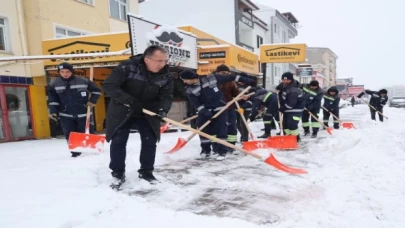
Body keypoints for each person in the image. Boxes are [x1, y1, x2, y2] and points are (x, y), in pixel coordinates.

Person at [102, 45, 173, 188]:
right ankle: (118, 173)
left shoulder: (165, 75)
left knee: (149, 140)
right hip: (122, 109)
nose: (162, 64)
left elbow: (167, 95)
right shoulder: (128, 67)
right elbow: (109, 85)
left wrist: (162, 110)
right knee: (119, 140)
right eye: (158, 61)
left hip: (148, 110)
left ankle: (146, 172)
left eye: (164, 61)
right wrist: (129, 101)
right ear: (147, 59)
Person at [180, 69, 253, 160]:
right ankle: (205, 150)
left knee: (221, 129)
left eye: (185, 79)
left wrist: (246, 80)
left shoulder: (211, 78)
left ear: (191, 78)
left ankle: (222, 152)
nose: (184, 81)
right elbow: (196, 104)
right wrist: (204, 111)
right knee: (203, 130)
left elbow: (231, 77)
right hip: (205, 110)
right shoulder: (189, 90)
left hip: (220, 108)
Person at [48, 62, 101, 157]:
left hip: (84, 113)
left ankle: (92, 151)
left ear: (72, 71)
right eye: (62, 72)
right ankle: (75, 152)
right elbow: (53, 99)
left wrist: (92, 101)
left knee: (86, 132)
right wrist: (53, 111)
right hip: (65, 114)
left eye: (67, 71)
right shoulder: (54, 83)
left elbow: (97, 91)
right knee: (70, 134)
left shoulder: (83, 81)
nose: (65, 74)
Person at [215, 64, 245, 153]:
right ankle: (218, 146)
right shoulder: (211, 81)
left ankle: (231, 145)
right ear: (217, 73)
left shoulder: (231, 81)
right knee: (219, 128)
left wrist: (241, 96)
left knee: (232, 126)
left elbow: (235, 93)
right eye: (223, 73)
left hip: (230, 107)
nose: (225, 74)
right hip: (217, 108)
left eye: (227, 73)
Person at [276, 72, 305, 142]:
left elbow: (291, 104)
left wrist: (282, 108)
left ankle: (296, 139)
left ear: (291, 80)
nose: (285, 81)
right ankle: (289, 139)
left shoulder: (293, 90)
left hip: (295, 110)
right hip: (287, 110)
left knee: (292, 125)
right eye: (283, 80)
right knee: (285, 126)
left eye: (287, 80)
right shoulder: (285, 88)